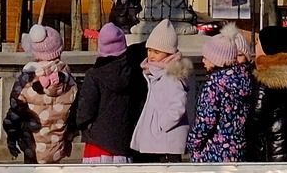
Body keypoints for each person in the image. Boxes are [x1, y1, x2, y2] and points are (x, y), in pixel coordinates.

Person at [69, 20, 145, 161]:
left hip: (97, 142)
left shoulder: (94, 75)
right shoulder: (134, 73)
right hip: (125, 141)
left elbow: (86, 110)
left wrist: (82, 125)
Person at [6, 26, 78, 163]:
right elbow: (75, 116)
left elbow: (15, 113)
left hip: (32, 147)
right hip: (58, 147)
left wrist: (12, 136)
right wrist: (69, 139)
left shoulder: (26, 80)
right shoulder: (69, 81)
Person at [245, 23, 287, 161]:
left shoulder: (265, 78)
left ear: (267, 47)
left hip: (272, 149)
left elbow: (255, 120)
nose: (256, 47)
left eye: (258, 43)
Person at [186, 27, 252, 162]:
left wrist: (192, 144)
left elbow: (206, 120)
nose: (203, 61)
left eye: (206, 57)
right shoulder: (244, 80)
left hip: (214, 151)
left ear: (216, 59)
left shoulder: (214, 85)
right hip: (239, 149)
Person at [128, 22, 191, 160]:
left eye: (157, 52)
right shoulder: (155, 73)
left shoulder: (171, 75)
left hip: (167, 139)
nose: (151, 55)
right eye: (149, 50)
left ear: (169, 53)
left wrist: (162, 124)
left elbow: (178, 105)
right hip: (159, 139)